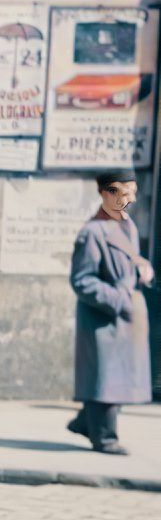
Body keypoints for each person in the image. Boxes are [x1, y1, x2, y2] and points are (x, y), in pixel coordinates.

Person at [67, 170, 153, 455]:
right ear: (107, 194)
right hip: (103, 318)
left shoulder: (126, 225)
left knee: (118, 379)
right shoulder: (92, 232)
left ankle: (84, 422)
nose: (131, 199)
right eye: (124, 192)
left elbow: (128, 262)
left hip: (124, 317)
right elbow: (82, 279)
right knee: (105, 379)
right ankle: (104, 437)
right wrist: (118, 299)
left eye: (133, 191)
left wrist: (142, 269)